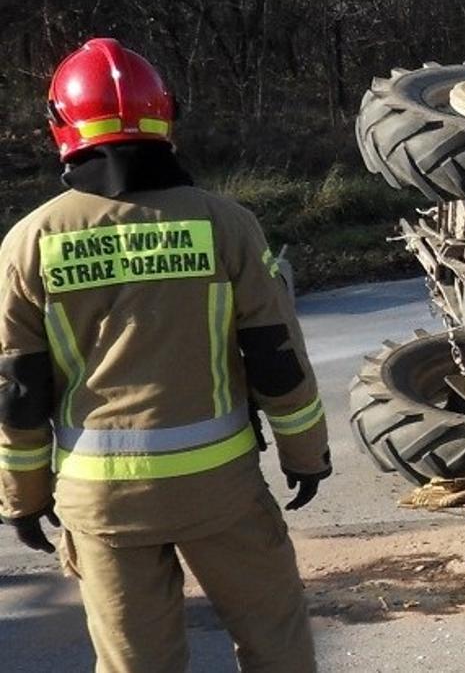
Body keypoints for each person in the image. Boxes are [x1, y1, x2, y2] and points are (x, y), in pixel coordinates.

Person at [0, 39, 330, 673]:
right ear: (165, 118)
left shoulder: (29, 243)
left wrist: (22, 497)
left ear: (60, 128)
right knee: (277, 647)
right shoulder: (227, 225)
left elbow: (18, 390)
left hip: (101, 504)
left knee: (135, 665)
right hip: (221, 493)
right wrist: (304, 454)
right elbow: (277, 358)